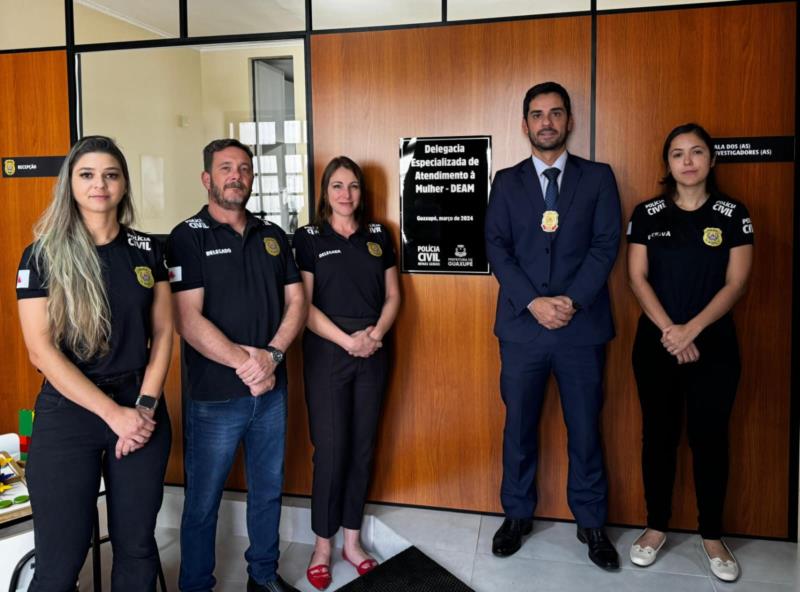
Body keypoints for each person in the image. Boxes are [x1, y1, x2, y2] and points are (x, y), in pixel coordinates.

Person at [16, 135, 172, 590]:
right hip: (70, 413)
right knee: (60, 561)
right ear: (70, 184)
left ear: (123, 184)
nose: (99, 184)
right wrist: (114, 415)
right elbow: (40, 351)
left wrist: (142, 408)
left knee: (137, 547)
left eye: (110, 174)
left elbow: (163, 333)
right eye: (86, 175)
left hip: (140, 406)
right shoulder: (43, 254)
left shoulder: (148, 250)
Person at [484, 82, 622, 569]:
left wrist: (569, 300)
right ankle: (517, 514)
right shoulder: (505, 181)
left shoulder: (599, 178)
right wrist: (535, 303)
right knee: (518, 427)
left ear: (569, 122)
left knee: (585, 428)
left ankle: (590, 522)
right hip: (523, 329)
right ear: (525, 125)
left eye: (556, 113)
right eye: (537, 114)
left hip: (580, 330)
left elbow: (606, 245)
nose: (547, 122)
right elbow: (496, 248)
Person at [167, 138, 306, 592]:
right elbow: (186, 318)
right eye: (226, 168)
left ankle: (262, 577)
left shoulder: (273, 235)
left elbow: (296, 302)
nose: (236, 176)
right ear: (207, 178)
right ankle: (196, 585)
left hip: (271, 394)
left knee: (267, 492)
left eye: (244, 169)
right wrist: (248, 363)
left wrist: (273, 357)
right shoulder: (187, 237)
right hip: (214, 398)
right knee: (203, 502)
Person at [626, 123, 753, 582]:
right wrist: (670, 332)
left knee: (710, 440)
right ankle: (656, 526)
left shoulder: (733, 213)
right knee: (658, 437)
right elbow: (637, 277)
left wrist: (692, 329)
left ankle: (713, 535)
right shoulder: (647, 213)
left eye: (697, 152)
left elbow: (737, 282)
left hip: (713, 346)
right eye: (677, 153)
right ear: (668, 163)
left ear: (711, 161)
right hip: (656, 344)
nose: (687, 161)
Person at [293, 157, 400, 591]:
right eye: (337, 186)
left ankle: (352, 543)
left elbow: (394, 295)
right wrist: (347, 341)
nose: (346, 195)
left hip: (373, 349)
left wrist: (374, 335)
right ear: (325, 192)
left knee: (361, 448)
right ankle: (322, 546)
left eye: (353, 186)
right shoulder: (308, 238)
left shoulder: (379, 235)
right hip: (328, 353)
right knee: (331, 450)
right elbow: (303, 306)